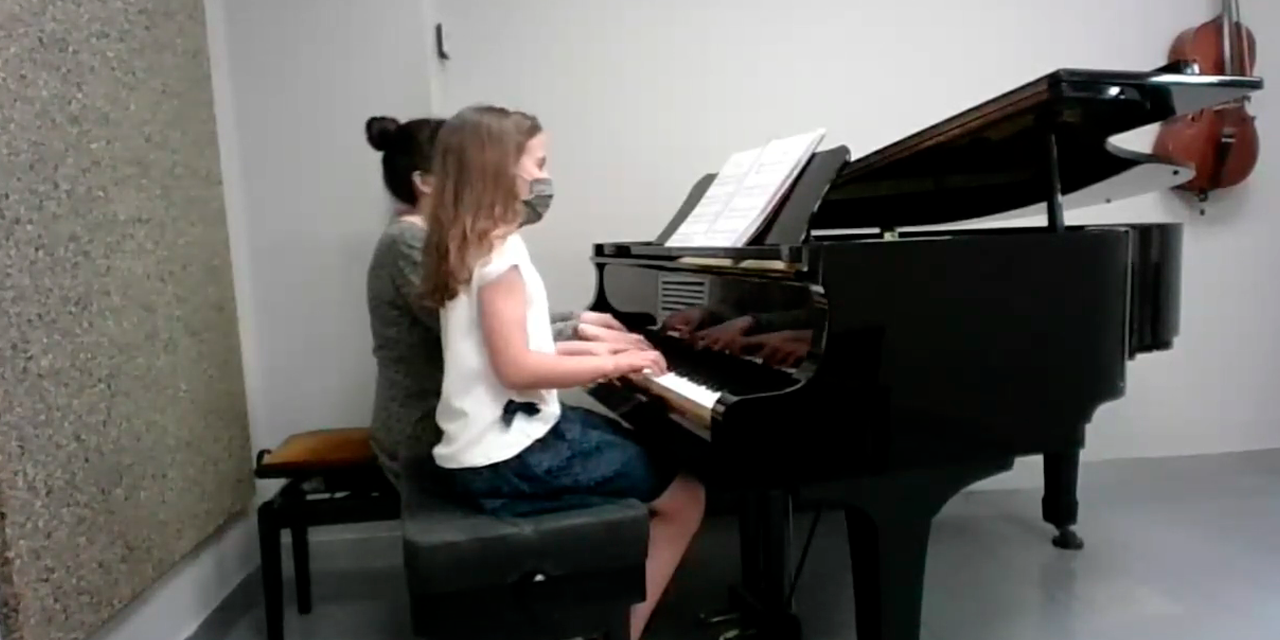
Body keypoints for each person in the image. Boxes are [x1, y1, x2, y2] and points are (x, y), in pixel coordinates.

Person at [420, 104, 705, 640]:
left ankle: (605, 595)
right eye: (539, 163)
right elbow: (519, 367)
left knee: (638, 445)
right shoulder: (500, 260)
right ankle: (621, 631)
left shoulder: (471, 247)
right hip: (508, 457)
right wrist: (615, 361)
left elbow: (523, 347)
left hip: (495, 441)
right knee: (687, 495)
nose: (545, 177)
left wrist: (601, 352)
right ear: (500, 170)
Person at [363, 114, 645, 488]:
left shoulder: (449, 237)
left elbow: (504, 322)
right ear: (426, 182)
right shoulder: (410, 241)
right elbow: (489, 337)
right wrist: (586, 337)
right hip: (431, 430)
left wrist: (581, 324)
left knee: (622, 444)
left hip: (477, 420)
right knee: (634, 461)